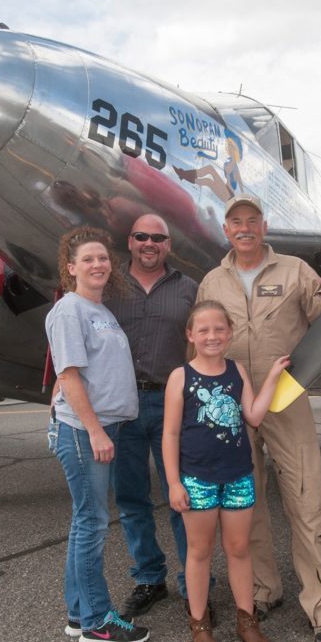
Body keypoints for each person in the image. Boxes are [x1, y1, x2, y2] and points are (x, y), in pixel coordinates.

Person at [195, 195, 321, 642]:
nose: (245, 228)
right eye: (237, 222)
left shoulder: (293, 270)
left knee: (307, 502)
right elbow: (199, 344)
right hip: (231, 406)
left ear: (264, 226)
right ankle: (263, 589)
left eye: (253, 220)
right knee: (244, 505)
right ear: (226, 230)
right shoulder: (212, 280)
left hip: (286, 398)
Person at [162, 300, 291, 642]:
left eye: (219, 329)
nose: (212, 336)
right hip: (197, 479)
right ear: (190, 335)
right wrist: (174, 482)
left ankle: (247, 621)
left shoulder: (237, 371)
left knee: (238, 548)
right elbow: (171, 434)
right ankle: (200, 625)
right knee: (199, 552)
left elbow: (253, 415)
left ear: (230, 332)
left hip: (238, 476)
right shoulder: (181, 377)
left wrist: (274, 378)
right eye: (203, 330)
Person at [45, 226, 149, 642]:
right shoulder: (70, 310)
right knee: (92, 524)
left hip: (104, 426)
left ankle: (77, 614)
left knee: (84, 522)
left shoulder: (99, 311)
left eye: (102, 258)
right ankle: (97, 622)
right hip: (86, 431)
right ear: (71, 269)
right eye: (87, 259)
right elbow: (67, 375)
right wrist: (94, 431)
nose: (97, 264)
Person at [103, 214, 199, 618]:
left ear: (168, 246)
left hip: (172, 404)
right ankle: (148, 579)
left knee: (183, 499)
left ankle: (194, 583)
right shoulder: (107, 286)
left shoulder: (188, 289)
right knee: (130, 499)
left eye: (158, 237)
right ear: (130, 241)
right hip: (121, 405)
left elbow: (205, 342)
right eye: (142, 236)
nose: (149, 243)